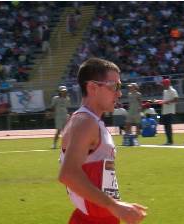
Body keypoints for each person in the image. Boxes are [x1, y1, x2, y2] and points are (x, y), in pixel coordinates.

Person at [58, 58, 147, 224]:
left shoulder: (90, 121)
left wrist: (116, 205)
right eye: (114, 87)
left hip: (100, 217)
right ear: (92, 87)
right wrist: (115, 205)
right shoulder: (85, 122)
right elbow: (68, 174)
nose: (119, 93)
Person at [156, 79, 178, 145]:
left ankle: (170, 141)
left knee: (168, 126)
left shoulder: (173, 90)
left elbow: (176, 99)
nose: (163, 85)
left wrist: (166, 102)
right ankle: (168, 141)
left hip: (170, 111)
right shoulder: (165, 91)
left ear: (167, 84)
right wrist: (159, 101)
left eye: (164, 84)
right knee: (166, 126)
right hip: (165, 111)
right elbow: (165, 101)